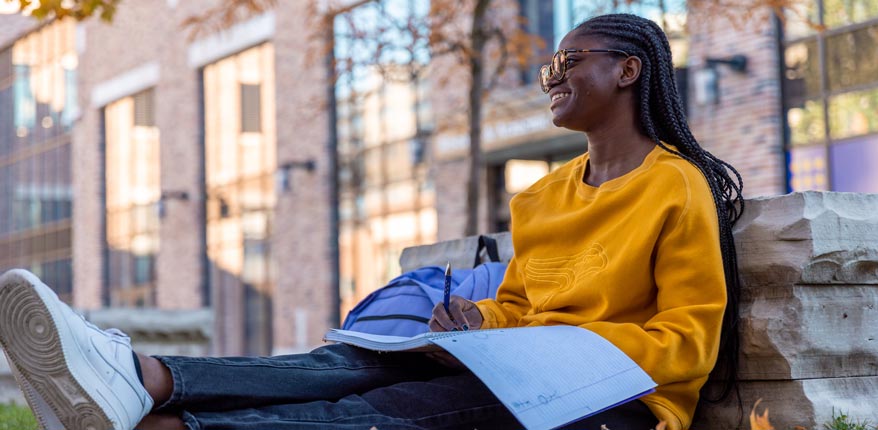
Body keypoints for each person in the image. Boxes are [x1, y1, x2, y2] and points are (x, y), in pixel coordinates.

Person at [0, 13, 743, 430]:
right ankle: (148, 380)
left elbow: (687, 344)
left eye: (568, 63)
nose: (552, 78)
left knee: (391, 413)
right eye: (548, 67)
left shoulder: (676, 188)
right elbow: (517, 305)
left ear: (628, 70)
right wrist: (478, 324)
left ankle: (167, 416)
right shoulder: (542, 197)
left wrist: (543, 345)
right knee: (365, 362)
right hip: (517, 367)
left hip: (617, 406)